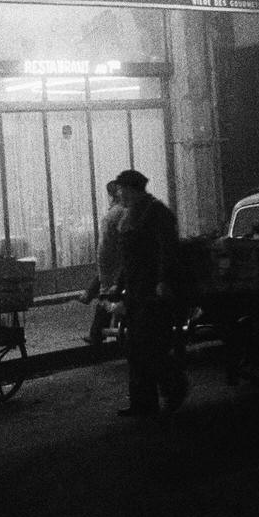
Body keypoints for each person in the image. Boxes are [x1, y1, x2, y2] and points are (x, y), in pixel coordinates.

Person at [112, 168, 188, 417]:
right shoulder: (129, 215)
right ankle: (142, 403)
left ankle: (175, 387)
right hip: (135, 290)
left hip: (153, 290)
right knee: (134, 348)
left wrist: (164, 280)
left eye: (120, 189)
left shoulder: (156, 212)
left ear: (132, 189)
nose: (118, 194)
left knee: (150, 345)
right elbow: (128, 258)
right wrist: (118, 284)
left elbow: (168, 250)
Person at [80, 180, 124, 345]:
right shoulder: (129, 211)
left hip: (113, 263)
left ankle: (97, 333)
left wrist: (103, 267)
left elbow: (104, 248)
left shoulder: (112, 215)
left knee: (106, 295)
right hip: (121, 261)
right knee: (109, 293)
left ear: (111, 196)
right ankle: (98, 332)